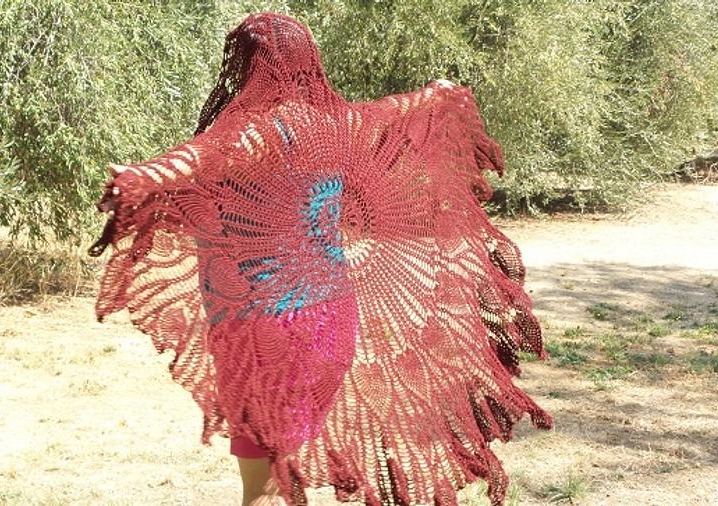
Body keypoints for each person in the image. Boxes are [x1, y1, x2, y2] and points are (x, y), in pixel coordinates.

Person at [89, 12, 551, 506]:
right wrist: (437, 93)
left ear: (249, 65)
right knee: (281, 460)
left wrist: (139, 176)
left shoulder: (258, 133)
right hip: (331, 318)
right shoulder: (337, 123)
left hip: (269, 327)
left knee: (263, 485)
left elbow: (198, 159)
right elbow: (403, 108)